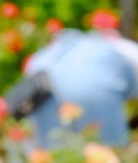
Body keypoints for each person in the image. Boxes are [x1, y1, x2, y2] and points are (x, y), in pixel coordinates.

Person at [9, 29, 138, 146]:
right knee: (111, 152)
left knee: (57, 154)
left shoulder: (46, 55)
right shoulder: (124, 49)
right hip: (96, 93)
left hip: (45, 96)